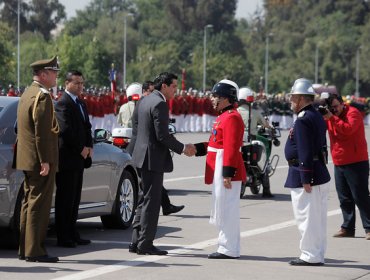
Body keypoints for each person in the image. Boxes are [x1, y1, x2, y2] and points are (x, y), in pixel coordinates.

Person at [129, 72, 195, 255]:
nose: (176, 90)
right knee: (152, 201)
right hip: (152, 159)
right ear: (164, 86)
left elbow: (136, 128)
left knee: (143, 200)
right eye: (173, 86)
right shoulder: (159, 103)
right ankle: (146, 243)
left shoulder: (145, 100)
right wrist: (183, 148)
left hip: (141, 156)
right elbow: (162, 135)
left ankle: (136, 241)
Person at [14, 56, 60, 263]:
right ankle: (35, 250)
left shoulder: (27, 93)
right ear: (43, 74)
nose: (56, 76)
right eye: (53, 72)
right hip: (39, 160)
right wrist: (45, 161)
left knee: (28, 203)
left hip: (27, 158)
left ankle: (26, 248)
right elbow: (41, 133)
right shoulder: (42, 96)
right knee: (38, 205)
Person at [194, 79, 246, 259]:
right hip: (220, 167)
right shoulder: (224, 116)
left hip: (226, 169)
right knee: (223, 208)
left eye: (216, 96)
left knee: (228, 210)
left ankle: (228, 248)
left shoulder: (231, 117)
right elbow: (216, 143)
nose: (212, 99)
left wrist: (228, 173)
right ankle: (226, 245)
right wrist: (198, 149)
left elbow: (231, 147)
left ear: (226, 98)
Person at [284, 78, 331, 266]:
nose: (291, 101)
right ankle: (316, 253)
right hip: (318, 171)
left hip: (306, 173)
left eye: (293, 97)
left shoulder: (303, 119)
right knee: (317, 220)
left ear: (302, 98)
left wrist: (305, 176)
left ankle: (309, 255)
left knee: (307, 219)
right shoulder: (316, 115)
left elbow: (304, 149)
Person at [125, 81, 185, 218]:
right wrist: (182, 148)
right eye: (150, 91)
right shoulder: (148, 104)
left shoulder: (140, 103)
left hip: (137, 149)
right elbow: (160, 135)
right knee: (148, 193)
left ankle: (165, 206)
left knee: (149, 189)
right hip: (144, 150)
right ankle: (143, 233)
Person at [322, 94, 370, 240]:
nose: (334, 110)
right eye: (331, 108)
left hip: (356, 161)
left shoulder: (353, 113)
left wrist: (331, 117)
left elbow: (348, 129)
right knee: (344, 197)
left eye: (336, 106)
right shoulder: (329, 116)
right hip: (339, 161)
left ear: (343, 103)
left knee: (360, 196)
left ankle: (369, 227)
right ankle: (348, 228)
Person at [54, 70, 93, 248]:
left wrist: (90, 146)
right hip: (68, 157)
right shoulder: (63, 103)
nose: (80, 86)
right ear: (67, 83)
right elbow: (65, 130)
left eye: (82, 83)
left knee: (75, 198)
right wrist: (81, 148)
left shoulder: (81, 103)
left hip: (80, 158)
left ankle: (73, 232)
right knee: (65, 199)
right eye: (76, 83)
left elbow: (87, 127)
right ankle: (63, 236)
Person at [237, 87, 273, 197]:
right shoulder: (255, 112)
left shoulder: (235, 112)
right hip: (252, 140)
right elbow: (266, 125)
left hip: (239, 142)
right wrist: (269, 126)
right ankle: (266, 189)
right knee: (264, 161)